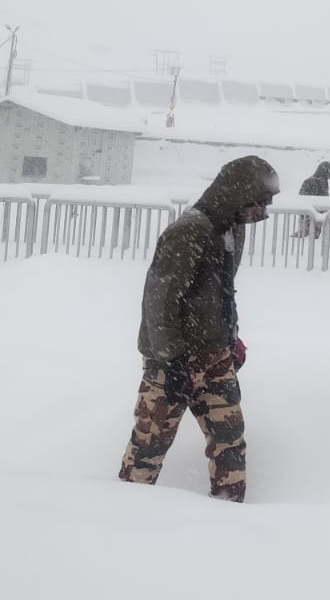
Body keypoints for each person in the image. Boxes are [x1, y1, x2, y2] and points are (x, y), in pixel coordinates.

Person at [118, 155, 279, 502]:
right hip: (171, 360)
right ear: (238, 193)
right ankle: (125, 512)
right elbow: (160, 301)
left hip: (215, 355)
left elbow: (221, 291)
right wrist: (173, 361)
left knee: (229, 441)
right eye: (259, 202)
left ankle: (226, 511)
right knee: (149, 445)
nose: (261, 211)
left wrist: (230, 337)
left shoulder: (231, 227)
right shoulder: (189, 230)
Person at [293, 160, 330, 238]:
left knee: (315, 234)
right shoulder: (309, 181)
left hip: (320, 212)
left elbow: (325, 195)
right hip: (308, 212)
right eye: (329, 172)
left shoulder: (324, 181)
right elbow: (302, 196)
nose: (329, 176)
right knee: (305, 233)